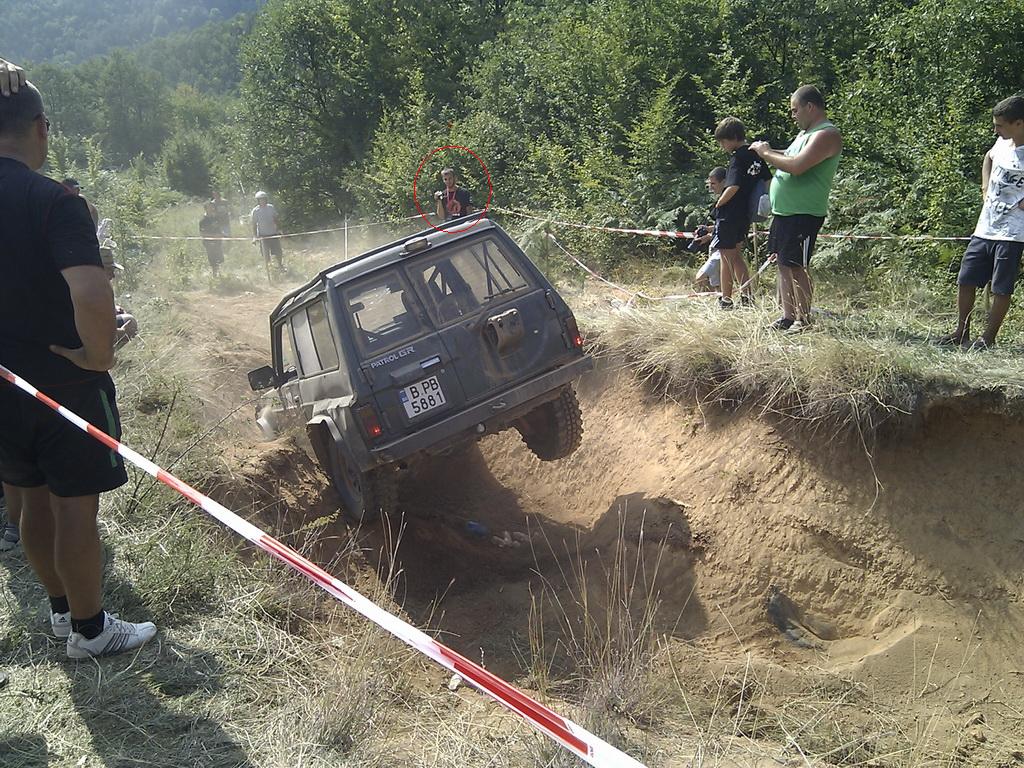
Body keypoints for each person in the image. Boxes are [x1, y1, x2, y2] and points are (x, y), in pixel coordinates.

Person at [0, 80, 156, 657]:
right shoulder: (55, 201)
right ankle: (91, 630)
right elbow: (91, 293)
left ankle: (63, 613)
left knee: (30, 501)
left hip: (2, 386)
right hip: (63, 383)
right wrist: (99, 355)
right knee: (75, 508)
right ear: (41, 128)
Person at [750, 85, 842, 331]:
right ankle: (787, 316)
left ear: (809, 107)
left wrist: (767, 153)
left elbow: (797, 165)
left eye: (794, 110)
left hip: (803, 213)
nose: (793, 116)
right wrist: (765, 152)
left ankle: (804, 320)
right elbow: (789, 155)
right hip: (785, 212)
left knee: (797, 266)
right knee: (782, 262)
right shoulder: (805, 135)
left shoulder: (826, 134)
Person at [939, 96, 1024, 350]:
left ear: (1019, 123)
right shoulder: (1002, 143)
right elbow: (988, 157)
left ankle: (987, 339)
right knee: (966, 278)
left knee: (1001, 287)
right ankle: (960, 332)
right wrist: (985, 185)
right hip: (986, 226)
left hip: (1013, 231)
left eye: (1000, 125)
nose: (996, 130)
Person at [713, 117, 771, 309]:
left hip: (730, 214)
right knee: (736, 256)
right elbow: (768, 182)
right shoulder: (757, 155)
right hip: (745, 214)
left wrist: (719, 204)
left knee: (725, 258)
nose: (722, 146)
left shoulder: (737, 158)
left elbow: (733, 186)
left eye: (723, 141)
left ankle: (726, 299)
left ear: (732, 138)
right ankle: (747, 296)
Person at [690, 167, 728, 292]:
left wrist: (709, 236)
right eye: (709, 184)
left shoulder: (729, 201)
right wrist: (707, 229)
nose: (711, 187)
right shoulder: (721, 199)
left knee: (700, 277)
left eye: (713, 184)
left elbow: (729, 229)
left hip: (723, 248)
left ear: (724, 182)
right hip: (715, 247)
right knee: (717, 285)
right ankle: (720, 304)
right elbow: (720, 225)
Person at [99, 239, 139, 345]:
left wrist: (114, 309)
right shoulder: (93, 290)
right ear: (100, 269)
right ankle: (104, 356)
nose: (113, 275)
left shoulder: (88, 283)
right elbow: (91, 322)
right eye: (110, 270)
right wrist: (119, 332)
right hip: (87, 333)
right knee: (131, 322)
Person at [250, 190, 284, 272]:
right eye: (260, 199)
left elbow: (276, 219)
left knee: (278, 252)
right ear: (258, 200)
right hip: (263, 236)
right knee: (265, 254)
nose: (262, 201)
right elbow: (254, 224)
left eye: (263, 199)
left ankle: (280, 266)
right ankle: (269, 269)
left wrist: (279, 229)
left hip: (273, 233)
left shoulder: (271, 207)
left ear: (266, 199)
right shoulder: (255, 211)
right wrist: (255, 237)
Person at [199, 201, 225, 276]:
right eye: (209, 207)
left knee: (220, 259)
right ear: (206, 209)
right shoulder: (203, 221)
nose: (212, 208)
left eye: (212, 207)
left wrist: (221, 234)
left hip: (218, 242)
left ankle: (220, 275)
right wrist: (214, 236)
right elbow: (202, 234)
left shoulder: (215, 218)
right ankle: (214, 276)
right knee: (213, 260)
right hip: (209, 243)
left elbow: (219, 229)